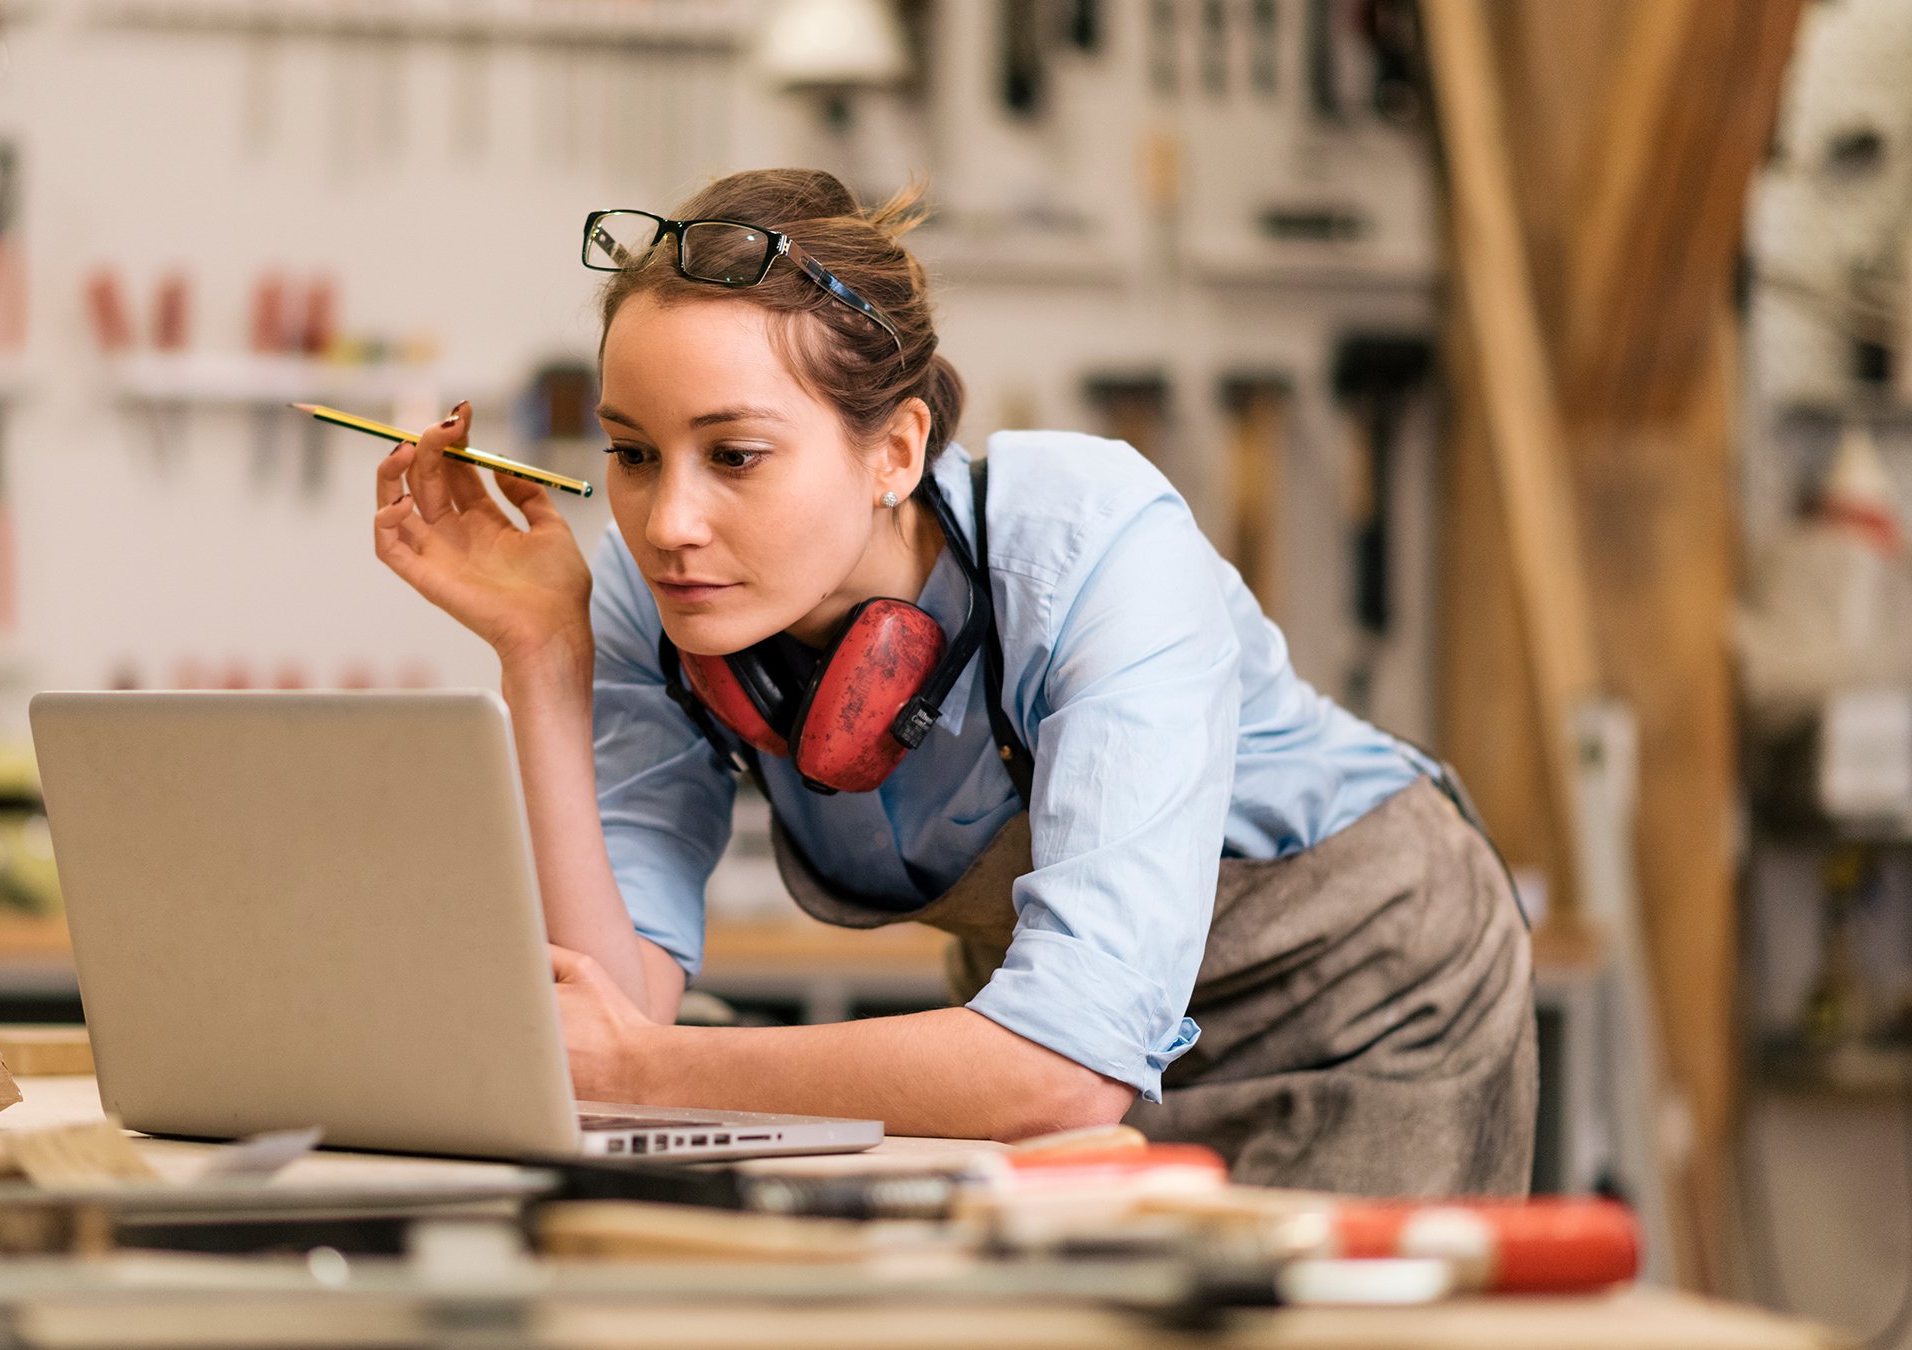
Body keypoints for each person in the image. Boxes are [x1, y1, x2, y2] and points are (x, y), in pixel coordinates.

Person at [372, 168, 1534, 1194]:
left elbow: (1067, 1067)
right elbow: (610, 1021)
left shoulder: (1092, 543)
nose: (669, 521)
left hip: (1361, 996)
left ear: (896, 450)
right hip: (1036, 1053)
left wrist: (656, 1069)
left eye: (735, 456)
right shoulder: (651, 601)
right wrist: (545, 658)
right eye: (632, 453)